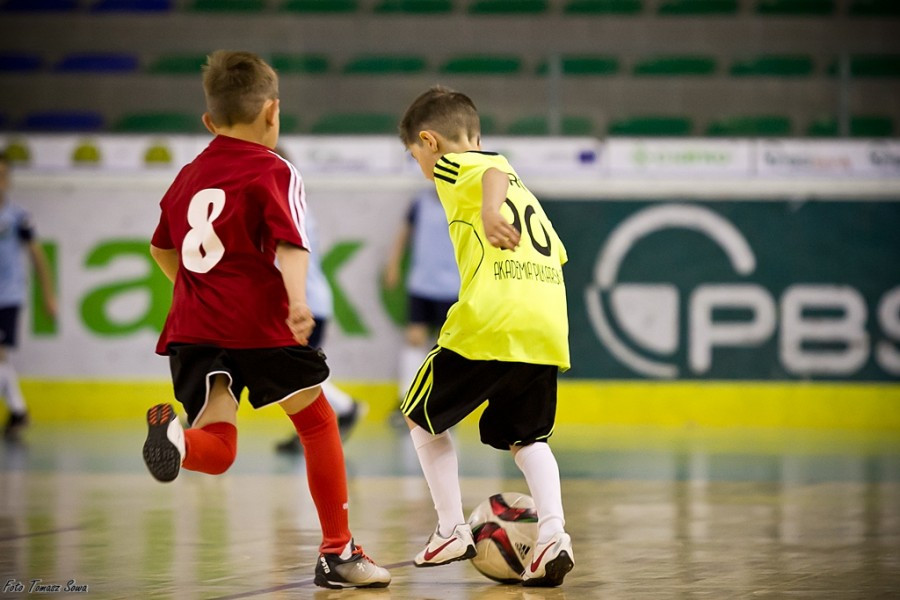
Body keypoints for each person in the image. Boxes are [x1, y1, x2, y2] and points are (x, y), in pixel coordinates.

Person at [141, 50, 390, 590]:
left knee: (219, 445)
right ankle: (338, 552)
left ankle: (179, 442)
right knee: (318, 422)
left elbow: (162, 248)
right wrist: (298, 301)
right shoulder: (275, 169)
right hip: (257, 323)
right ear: (273, 111)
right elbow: (289, 243)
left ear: (209, 121)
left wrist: (196, 293)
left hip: (192, 328)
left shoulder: (187, 175)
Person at [397, 86, 575, 587]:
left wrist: (490, 211)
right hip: (546, 322)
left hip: (495, 315)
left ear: (430, 142)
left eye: (415, 156)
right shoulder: (524, 191)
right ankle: (553, 536)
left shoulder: (461, 168)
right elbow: (556, 253)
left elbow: (490, 171)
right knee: (528, 438)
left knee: (419, 415)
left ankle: (451, 529)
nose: (420, 166)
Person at [274, 208, 363, 455]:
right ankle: (331, 415)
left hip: (303, 303)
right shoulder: (299, 210)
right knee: (296, 372)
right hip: (310, 300)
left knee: (298, 372)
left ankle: (344, 408)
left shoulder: (284, 213)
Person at [383, 187, 458, 428]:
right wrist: (393, 264)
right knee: (414, 339)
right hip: (422, 284)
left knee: (447, 346)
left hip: (453, 287)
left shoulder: (462, 201)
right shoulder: (420, 203)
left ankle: (444, 403)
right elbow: (404, 234)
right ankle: (406, 400)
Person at [0, 150, 57, 439]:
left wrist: (48, 294)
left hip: (8, 295)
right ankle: (18, 411)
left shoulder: (18, 217)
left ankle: (19, 411)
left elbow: (37, 256)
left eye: (3, 175)